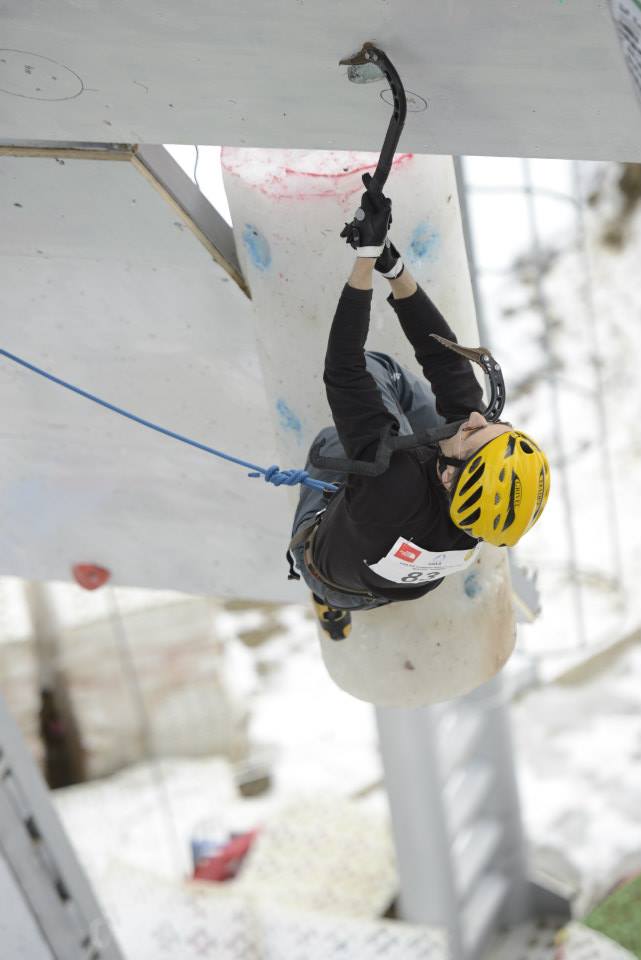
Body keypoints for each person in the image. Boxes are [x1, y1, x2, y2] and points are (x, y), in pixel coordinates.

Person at [288, 175, 550, 640]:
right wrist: (394, 267)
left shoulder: (393, 483)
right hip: (391, 567)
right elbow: (445, 365)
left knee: (342, 427)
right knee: (425, 412)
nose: (475, 419)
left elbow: (344, 370)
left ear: (449, 476)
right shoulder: (476, 510)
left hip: (329, 566)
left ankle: (325, 598)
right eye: (493, 426)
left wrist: (363, 261)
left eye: (473, 433)